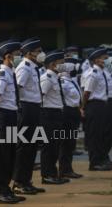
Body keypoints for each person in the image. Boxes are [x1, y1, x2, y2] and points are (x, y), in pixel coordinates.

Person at [0, 39, 25, 204]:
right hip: (2, 116)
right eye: (17, 55)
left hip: (10, 115)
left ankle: (5, 188)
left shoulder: (10, 72)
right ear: (8, 56)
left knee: (8, 155)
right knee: (1, 155)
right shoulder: (1, 74)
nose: (20, 58)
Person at [12, 37, 46, 194]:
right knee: (24, 147)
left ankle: (27, 180)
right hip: (26, 108)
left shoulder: (33, 67)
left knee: (32, 147)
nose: (41, 54)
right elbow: (17, 89)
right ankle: (19, 182)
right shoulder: (24, 68)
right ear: (29, 53)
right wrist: (19, 109)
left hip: (34, 108)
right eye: (38, 52)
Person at [80, 47, 112, 171]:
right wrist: (82, 107)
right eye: (102, 58)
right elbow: (87, 93)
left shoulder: (100, 72)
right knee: (94, 135)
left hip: (102, 105)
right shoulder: (92, 74)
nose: (104, 60)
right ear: (95, 60)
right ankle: (94, 163)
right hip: (94, 105)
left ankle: (101, 159)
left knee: (101, 134)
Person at [39, 50, 69, 185]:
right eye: (61, 63)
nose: (63, 65)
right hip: (49, 114)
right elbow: (41, 96)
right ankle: (47, 175)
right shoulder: (47, 77)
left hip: (56, 114)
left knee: (55, 146)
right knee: (49, 146)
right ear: (53, 64)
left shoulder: (55, 77)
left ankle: (53, 173)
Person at [58, 58, 83, 178]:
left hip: (74, 112)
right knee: (66, 142)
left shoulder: (71, 81)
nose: (75, 69)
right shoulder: (62, 82)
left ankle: (68, 168)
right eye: (72, 67)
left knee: (71, 143)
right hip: (66, 113)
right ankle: (64, 169)